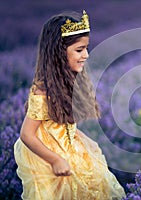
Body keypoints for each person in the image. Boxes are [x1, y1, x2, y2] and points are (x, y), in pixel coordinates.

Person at [14, 10, 125, 199]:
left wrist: (81, 138)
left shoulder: (66, 81)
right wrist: (55, 160)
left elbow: (62, 124)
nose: (86, 55)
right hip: (48, 156)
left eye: (86, 48)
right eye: (79, 50)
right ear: (59, 52)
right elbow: (26, 134)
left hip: (70, 149)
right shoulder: (42, 91)